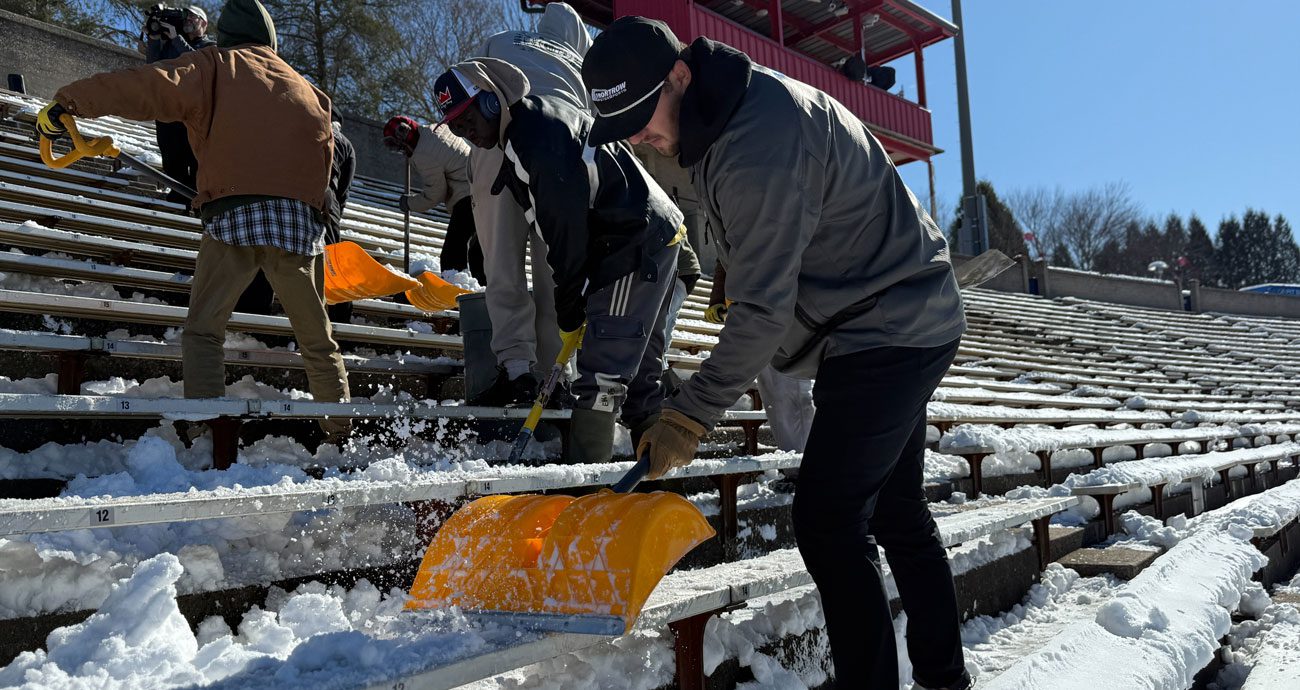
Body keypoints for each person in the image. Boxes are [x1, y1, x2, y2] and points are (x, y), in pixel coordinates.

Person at [583, 17, 969, 690]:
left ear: (679, 75)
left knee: (826, 520)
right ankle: (944, 679)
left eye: (642, 119)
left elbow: (764, 315)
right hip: (894, 311)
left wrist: (686, 416)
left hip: (890, 323)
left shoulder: (756, 138)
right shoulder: (722, 116)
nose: (641, 139)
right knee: (897, 510)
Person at [38, 0, 351, 442]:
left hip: (233, 217)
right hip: (298, 225)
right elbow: (327, 163)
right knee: (318, 341)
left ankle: (207, 431)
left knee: (205, 329)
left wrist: (68, 102)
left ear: (226, 34)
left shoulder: (214, 66)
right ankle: (340, 431)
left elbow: (149, 85)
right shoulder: (309, 90)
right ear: (271, 40)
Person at [432, 57, 683, 462]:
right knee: (639, 373)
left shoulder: (532, 134)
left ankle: (585, 484)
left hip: (633, 243)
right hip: (652, 234)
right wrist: (574, 297)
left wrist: (571, 300)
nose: (467, 134)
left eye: (468, 120)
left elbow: (563, 225)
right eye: (457, 128)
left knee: (602, 373)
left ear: (493, 101)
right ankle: (652, 467)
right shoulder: (524, 133)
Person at [462, 0, 592, 407]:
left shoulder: (503, 39)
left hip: (495, 138)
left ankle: (518, 370)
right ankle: (554, 377)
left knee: (501, 264)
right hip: (559, 156)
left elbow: (475, 82)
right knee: (555, 269)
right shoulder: (579, 68)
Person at [707, 262, 814, 453]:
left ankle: (809, 464)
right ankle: (793, 465)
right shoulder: (731, 233)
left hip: (786, 305)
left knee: (799, 393)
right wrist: (717, 298)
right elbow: (724, 258)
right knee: (773, 393)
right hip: (749, 311)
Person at [382, 115, 484, 283]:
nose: (401, 152)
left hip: (468, 196)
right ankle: (484, 295)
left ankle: (455, 291)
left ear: (402, 141)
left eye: (398, 147)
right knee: (476, 254)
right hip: (482, 189)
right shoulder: (435, 129)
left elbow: (435, 193)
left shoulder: (422, 153)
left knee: (452, 252)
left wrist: (409, 203)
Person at [141, 5, 215, 207]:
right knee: (172, 158)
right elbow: (154, 65)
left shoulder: (211, 46)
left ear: (205, 24)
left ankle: (198, 203)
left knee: (196, 161)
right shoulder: (173, 42)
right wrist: (154, 38)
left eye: (194, 17)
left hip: (195, 114)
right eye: (186, 17)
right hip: (170, 110)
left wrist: (176, 39)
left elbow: (199, 64)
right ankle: (178, 199)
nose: (189, 20)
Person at [325, 109, 356, 323]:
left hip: (286, 191)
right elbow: (343, 190)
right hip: (326, 198)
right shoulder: (345, 143)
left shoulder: (299, 125)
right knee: (330, 262)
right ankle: (340, 321)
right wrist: (336, 214)